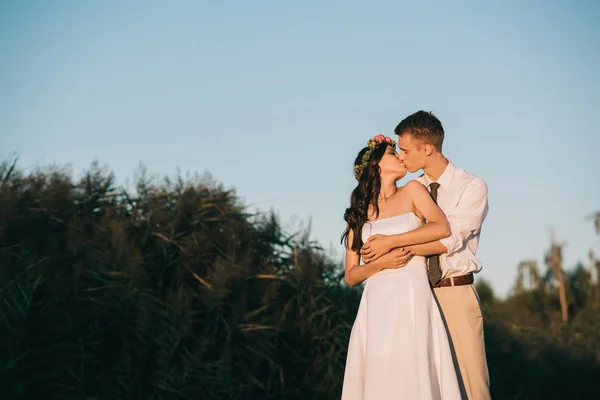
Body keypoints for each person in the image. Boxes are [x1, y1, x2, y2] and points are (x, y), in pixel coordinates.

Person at [360, 111, 491, 400]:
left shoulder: (470, 187)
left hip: (453, 292)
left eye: (404, 150)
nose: (401, 157)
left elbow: (448, 239)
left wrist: (390, 245)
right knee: (422, 386)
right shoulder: (409, 190)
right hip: (413, 296)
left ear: (427, 149)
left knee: (470, 386)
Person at [340, 134, 461, 400]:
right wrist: (381, 263)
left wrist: (391, 243)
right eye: (393, 153)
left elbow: (441, 227)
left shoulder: (413, 191)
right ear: (377, 165)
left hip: (412, 295)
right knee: (380, 370)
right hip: (378, 302)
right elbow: (351, 275)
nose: (401, 157)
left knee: (415, 366)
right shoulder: (358, 214)